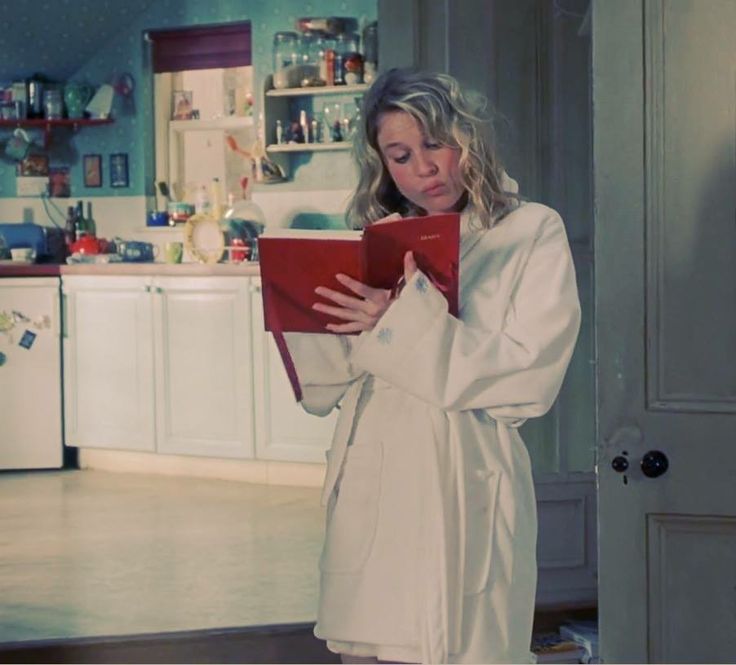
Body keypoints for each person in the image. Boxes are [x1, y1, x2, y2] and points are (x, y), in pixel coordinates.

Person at [283, 68, 581, 664]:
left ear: (468, 139)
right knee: (365, 648)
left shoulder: (530, 232)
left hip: (461, 477)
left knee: (458, 647)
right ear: (382, 166)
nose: (422, 167)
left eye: (435, 143)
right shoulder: (378, 240)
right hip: (375, 477)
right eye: (399, 154)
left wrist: (397, 321)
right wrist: (310, 310)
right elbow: (328, 387)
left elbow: (527, 378)